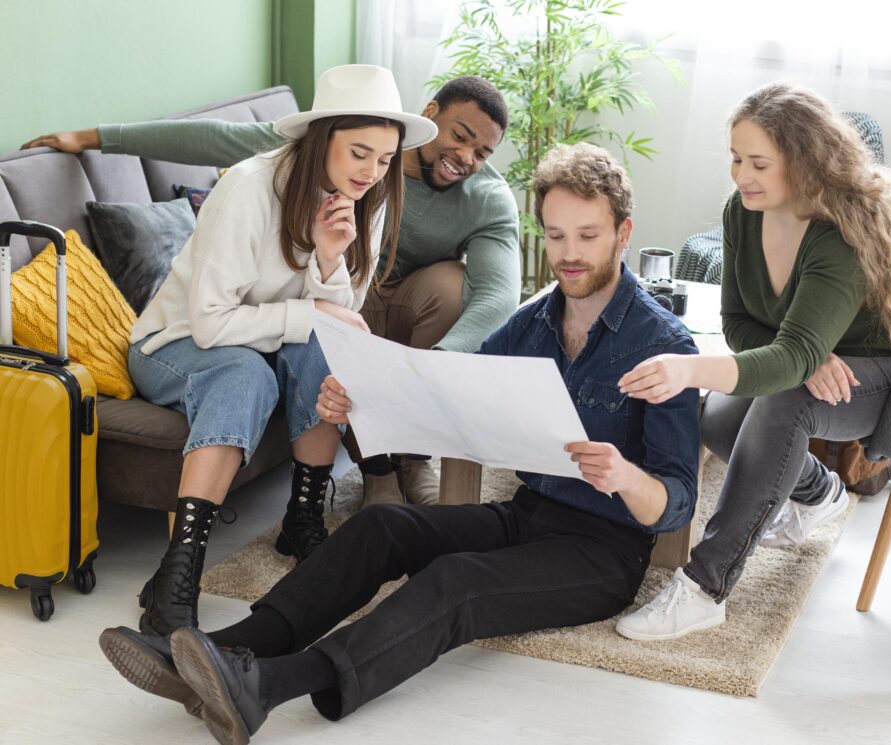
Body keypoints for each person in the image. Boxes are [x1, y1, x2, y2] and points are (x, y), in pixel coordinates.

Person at [96, 142, 701, 744]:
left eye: (587, 236)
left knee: (458, 581)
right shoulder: (535, 322)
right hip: (527, 515)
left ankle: (267, 685)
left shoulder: (664, 345)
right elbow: (445, 391)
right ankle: (224, 651)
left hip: (602, 553)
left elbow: (676, 503)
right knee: (381, 524)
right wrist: (355, 400)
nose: (568, 255)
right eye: (557, 235)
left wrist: (626, 476)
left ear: (623, 234)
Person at [22, 75, 520, 507]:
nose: (466, 157)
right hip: (326, 300)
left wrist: (436, 363)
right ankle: (375, 470)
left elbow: (497, 295)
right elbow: (216, 139)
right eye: (460, 136)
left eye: (483, 152)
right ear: (430, 114)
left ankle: (411, 457)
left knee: (449, 285)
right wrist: (95, 137)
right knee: (315, 346)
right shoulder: (304, 162)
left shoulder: (461, 197)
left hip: (375, 300)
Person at [613, 81, 891, 642]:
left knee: (787, 400)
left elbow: (792, 359)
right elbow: (737, 323)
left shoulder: (840, 234)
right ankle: (818, 494)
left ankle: (706, 587)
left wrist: (696, 369)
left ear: (805, 163)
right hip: (833, 358)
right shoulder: (742, 213)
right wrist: (807, 355)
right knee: (719, 420)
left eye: (759, 163)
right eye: (736, 158)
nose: (741, 175)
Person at [128, 64, 438, 637]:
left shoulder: (365, 198)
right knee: (245, 374)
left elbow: (341, 318)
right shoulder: (248, 187)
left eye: (385, 159)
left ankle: (302, 518)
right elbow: (210, 325)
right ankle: (179, 573)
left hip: (263, 343)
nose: (372, 172)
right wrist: (312, 310)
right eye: (359, 153)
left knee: (327, 351)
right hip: (175, 343)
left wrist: (328, 258)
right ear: (322, 138)